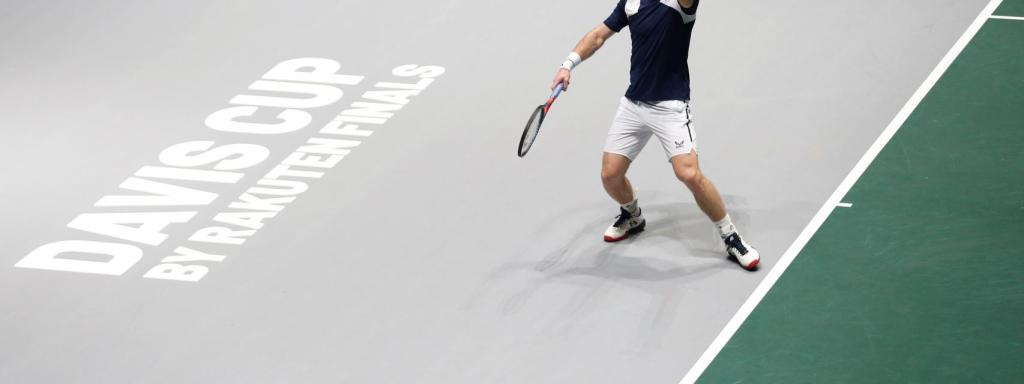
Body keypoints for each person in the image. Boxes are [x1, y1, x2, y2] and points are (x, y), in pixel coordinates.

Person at [551, 0, 760, 270]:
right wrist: (568, 65)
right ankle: (632, 215)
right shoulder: (631, 2)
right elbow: (599, 35)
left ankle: (731, 236)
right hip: (634, 103)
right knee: (610, 174)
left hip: (670, 105)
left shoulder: (680, 3)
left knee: (689, 174)